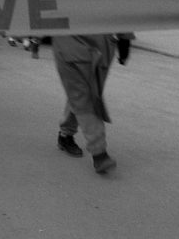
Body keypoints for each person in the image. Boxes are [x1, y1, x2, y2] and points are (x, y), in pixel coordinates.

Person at [53, 33, 133, 174]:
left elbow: (121, 12)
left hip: (100, 51)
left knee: (82, 96)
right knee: (84, 98)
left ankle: (65, 134)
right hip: (70, 50)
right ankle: (99, 152)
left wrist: (125, 40)